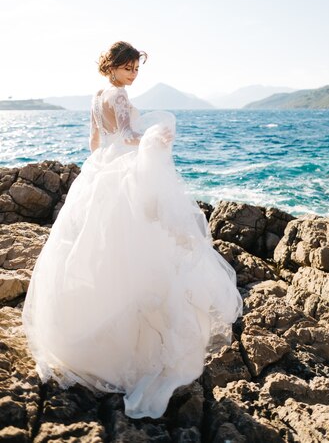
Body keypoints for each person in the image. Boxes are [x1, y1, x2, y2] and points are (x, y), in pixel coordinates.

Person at [22, 41, 243, 419]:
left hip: (99, 173)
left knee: (97, 251)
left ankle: (86, 339)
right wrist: (156, 138)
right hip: (122, 175)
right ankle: (130, 350)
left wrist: (105, 166)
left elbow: (95, 142)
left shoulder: (95, 97)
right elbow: (127, 136)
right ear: (112, 66)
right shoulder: (118, 95)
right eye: (128, 67)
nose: (133, 74)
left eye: (137, 69)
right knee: (133, 252)